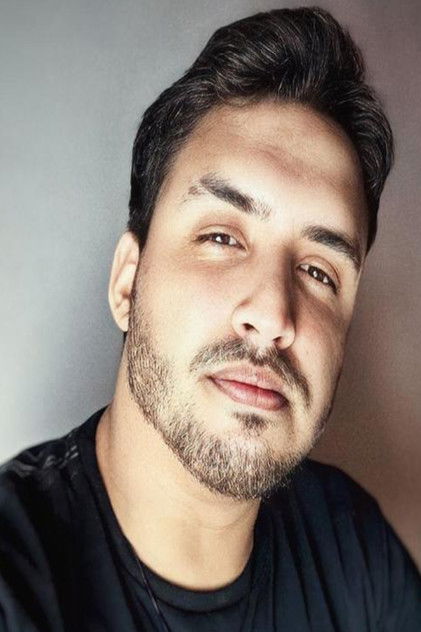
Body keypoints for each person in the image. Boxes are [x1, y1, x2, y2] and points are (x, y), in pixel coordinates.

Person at [1, 6, 420, 631]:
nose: (273, 315)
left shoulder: (356, 552)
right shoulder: (15, 580)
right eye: (222, 238)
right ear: (127, 283)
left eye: (319, 271)